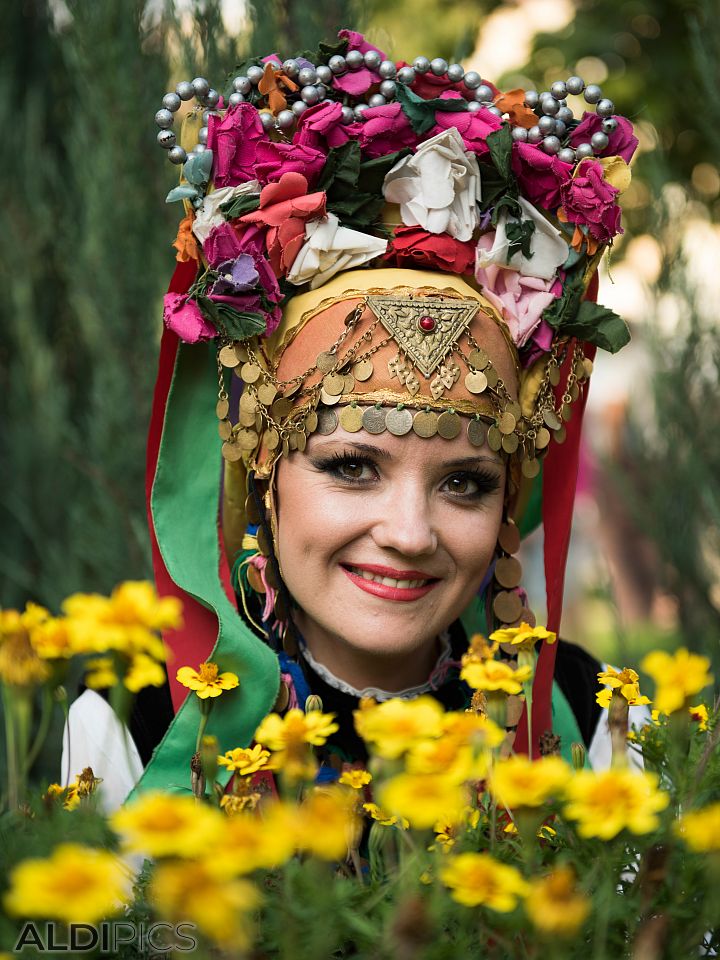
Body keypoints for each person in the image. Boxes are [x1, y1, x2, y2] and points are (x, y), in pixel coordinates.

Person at [63, 30, 647, 807]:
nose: (410, 533)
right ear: (259, 470)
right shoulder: (134, 725)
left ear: (512, 498)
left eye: (467, 483)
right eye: (352, 466)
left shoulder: (595, 720)